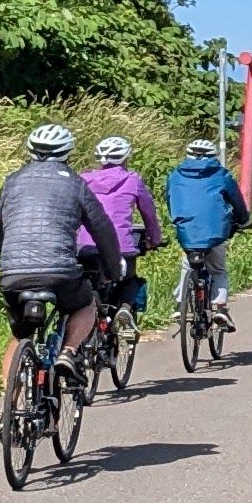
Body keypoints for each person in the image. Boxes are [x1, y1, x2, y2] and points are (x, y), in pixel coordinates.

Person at [0, 124, 119, 402]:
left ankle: (9, 408)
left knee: (20, 334)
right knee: (85, 304)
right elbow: (102, 228)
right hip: (59, 271)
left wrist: (6, 262)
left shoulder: (12, 181)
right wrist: (111, 268)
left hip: (13, 272)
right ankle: (68, 352)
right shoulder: (74, 183)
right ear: (68, 152)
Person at [77, 135, 162, 363]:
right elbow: (149, 214)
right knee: (130, 279)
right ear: (125, 158)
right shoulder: (133, 180)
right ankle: (124, 308)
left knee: (88, 282)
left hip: (84, 245)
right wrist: (154, 239)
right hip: (121, 245)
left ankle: (87, 320)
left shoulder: (83, 180)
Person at [166, 140, 251, 332]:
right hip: (215, 232)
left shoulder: (175, 176)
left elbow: (170, 199)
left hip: (187, 231)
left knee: (187, 266)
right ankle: (219, 308)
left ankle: (181, 304)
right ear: (213, 156)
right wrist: (244, 220)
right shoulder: (221, 175)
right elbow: (236, 201)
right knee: (218, 270)